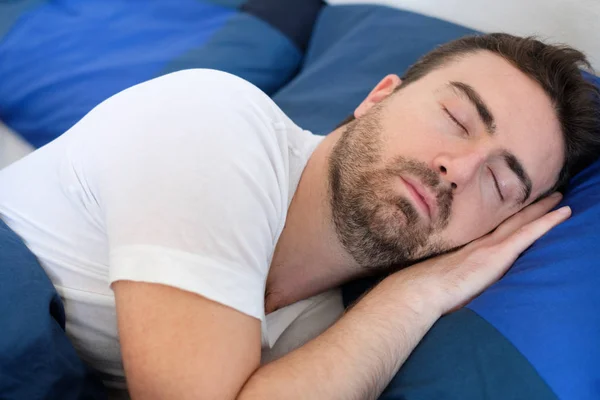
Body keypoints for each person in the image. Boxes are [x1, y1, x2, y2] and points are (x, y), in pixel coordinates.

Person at [1, 33, 599, 399]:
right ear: (378, 96)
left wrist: (424, 296)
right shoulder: (217, 123)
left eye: (499, 181)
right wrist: (412, 297)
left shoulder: (321, 339)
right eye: (457, 118)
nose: (457, 170)